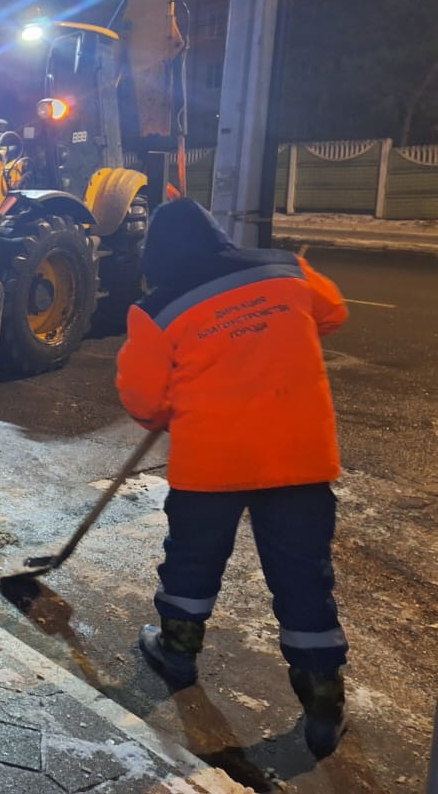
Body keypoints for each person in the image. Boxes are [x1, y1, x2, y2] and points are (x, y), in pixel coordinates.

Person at [115, 198, 350, 760]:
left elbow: (144, 401)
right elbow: (333, 312)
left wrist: (171, 404)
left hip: (210, 463)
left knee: (191, 562)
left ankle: (176, 654)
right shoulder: (285, 267)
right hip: (298, 457)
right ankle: (322, 703)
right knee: (303, 578)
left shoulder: (157, 308)